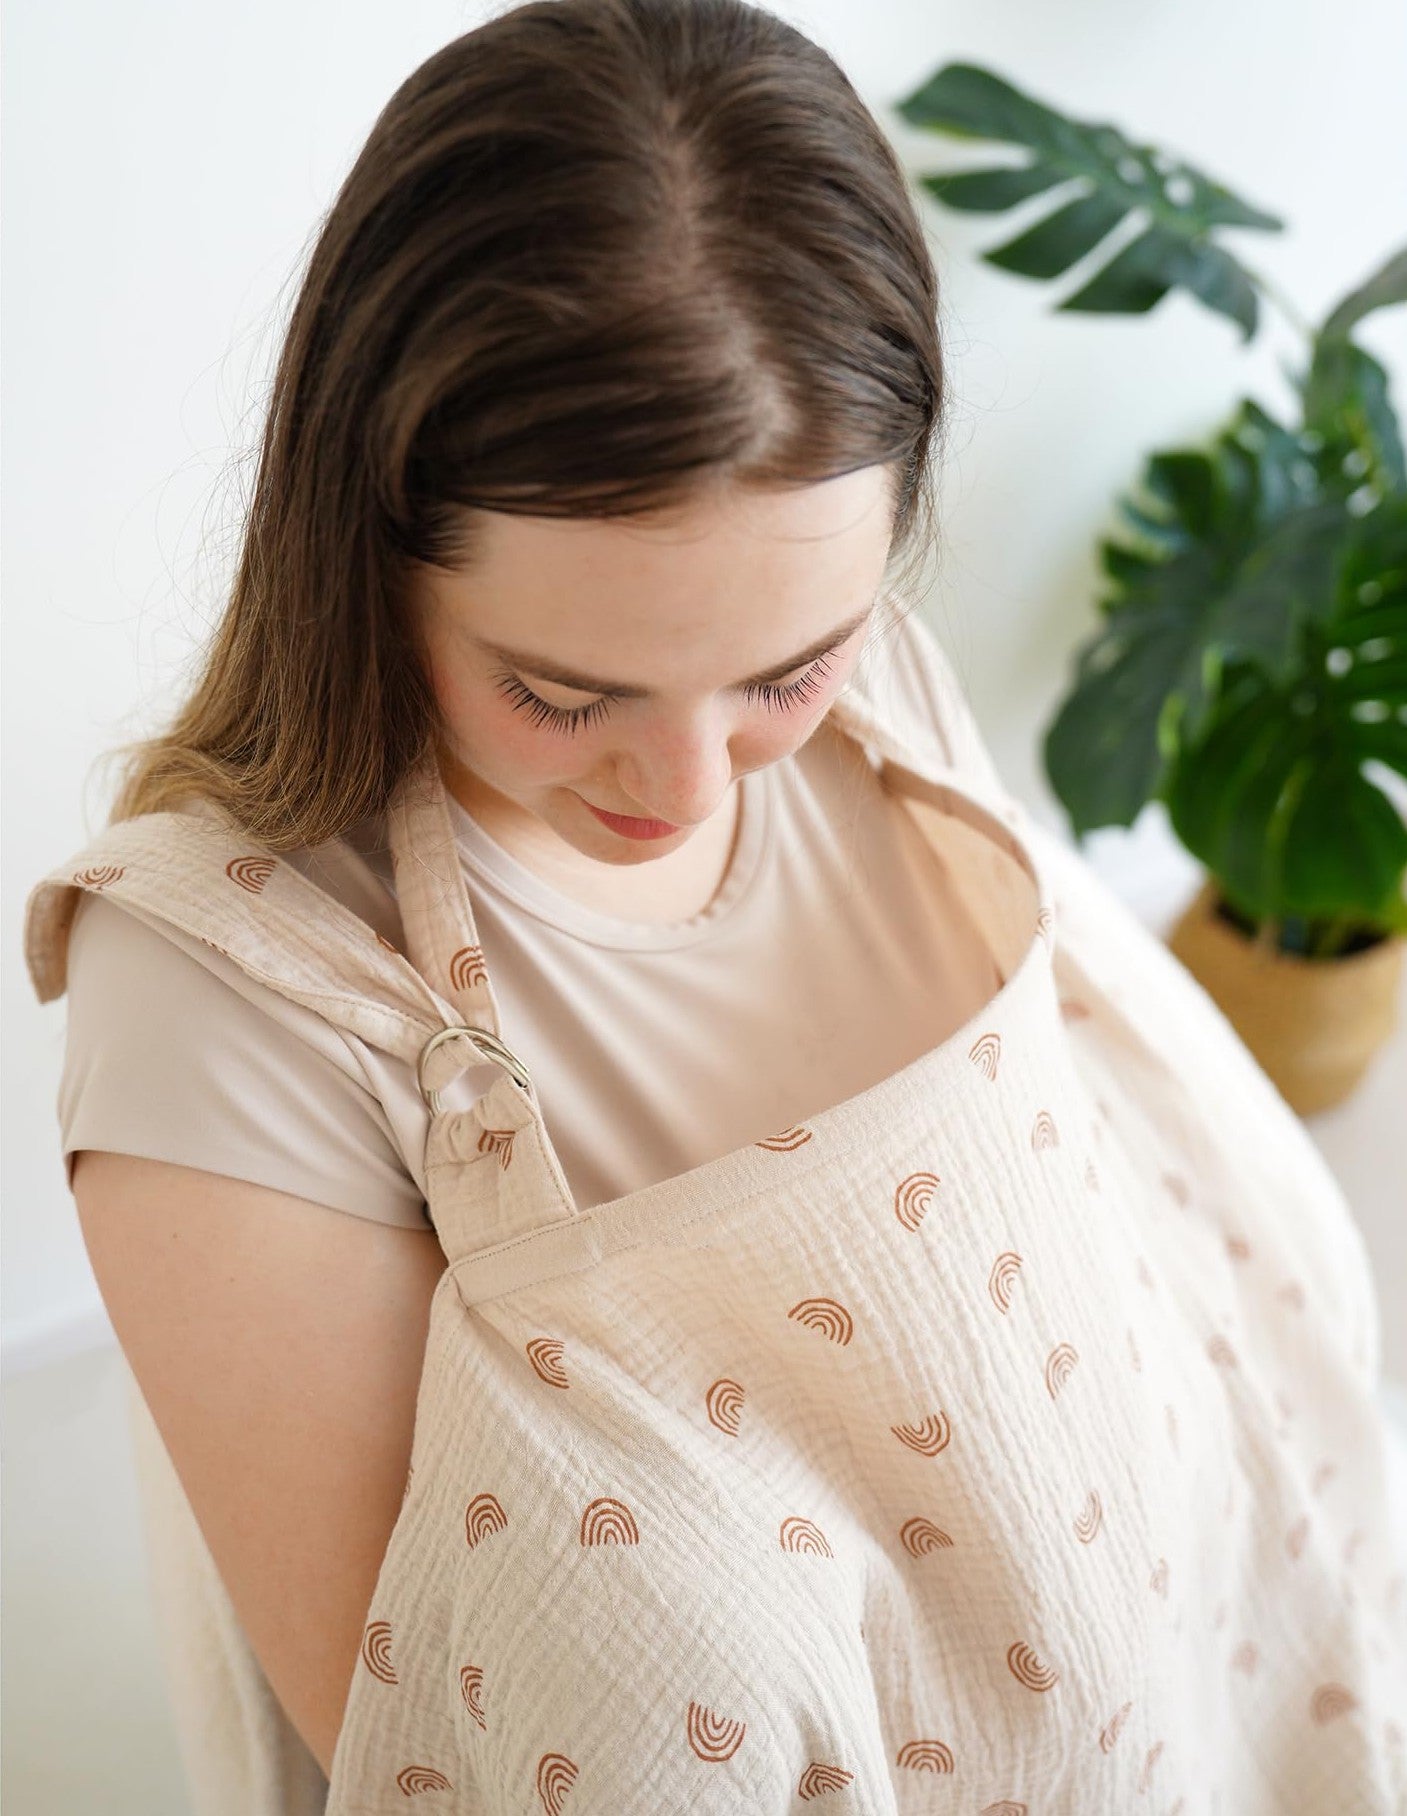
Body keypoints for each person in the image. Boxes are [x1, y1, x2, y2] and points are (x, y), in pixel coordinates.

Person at [22, 2, 1407, 1813]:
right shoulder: (227, 994)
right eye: (562, 692)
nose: (688, 788)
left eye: (788, 668)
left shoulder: (888, 695)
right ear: (363, 541)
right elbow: (461, 1741)